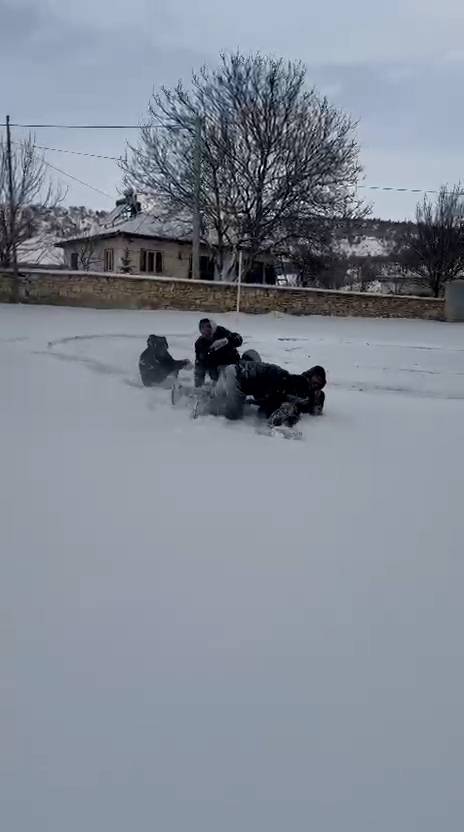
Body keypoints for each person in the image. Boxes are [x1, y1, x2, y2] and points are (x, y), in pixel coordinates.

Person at [206, 357, 327, 426]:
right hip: (238, 378)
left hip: (235, 372)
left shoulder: (291, 383)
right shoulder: (294, 383)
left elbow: (266, 401)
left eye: (318, 385)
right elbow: (264, 411)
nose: (314, 386)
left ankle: (209, 395)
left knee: (222, 397)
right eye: (314, 382)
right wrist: (288, 414)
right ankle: (205, 408)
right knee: (233, 417)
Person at [194, 318, 243, 388]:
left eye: (208, 326)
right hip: (215, 369)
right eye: (202, 327)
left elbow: (238, 340)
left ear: (213, 327)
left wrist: (230, 339)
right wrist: (198, 385)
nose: (205, 329)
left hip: (231, 363)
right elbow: (199, 364)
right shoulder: (199, 343)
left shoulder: (222, 332)